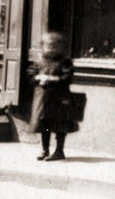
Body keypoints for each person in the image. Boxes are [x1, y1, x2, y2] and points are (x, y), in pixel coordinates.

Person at [29, 32, 78, 161]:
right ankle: (45, 149)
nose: (52, 49)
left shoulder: (65, 62)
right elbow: (30, 75)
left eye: (55, 46)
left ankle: (59, 150)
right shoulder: (40, 61)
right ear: (43, 47)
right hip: (43, 99)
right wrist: (38, 77)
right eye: (49, 46)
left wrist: (52, 79)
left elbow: (67, 77)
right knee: (44, 124)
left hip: (59, 98)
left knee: (59, 124)